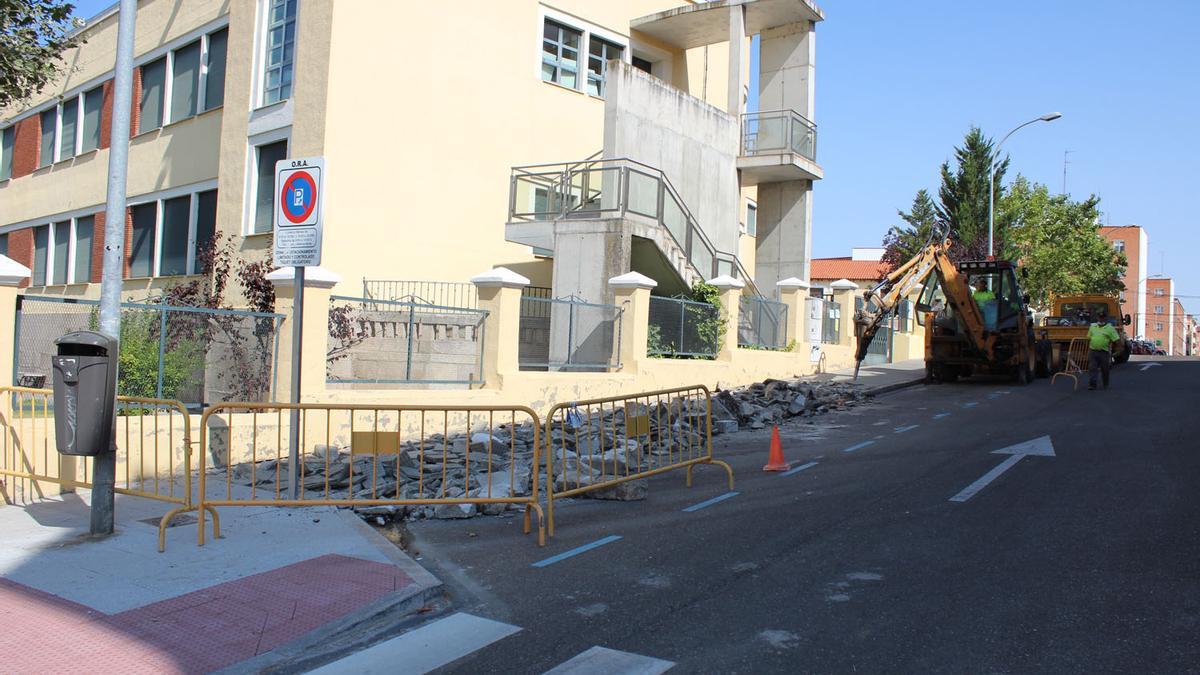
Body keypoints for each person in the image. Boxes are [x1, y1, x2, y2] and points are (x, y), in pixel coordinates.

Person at [1087, 311, 1120, 390]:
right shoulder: (1092, 327)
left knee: (1105, 369)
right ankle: (1092, 385)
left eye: (1102, 317)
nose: (1101, 319)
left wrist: (1118, 350)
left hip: (1104, 352)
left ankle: (1105, 383)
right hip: (1093, 351)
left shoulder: (1110, 328)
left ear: (1105, 318)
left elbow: (1116, 340)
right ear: (1097, 318)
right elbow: (1089, 337)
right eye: (1099, 317)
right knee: (1092, 368)